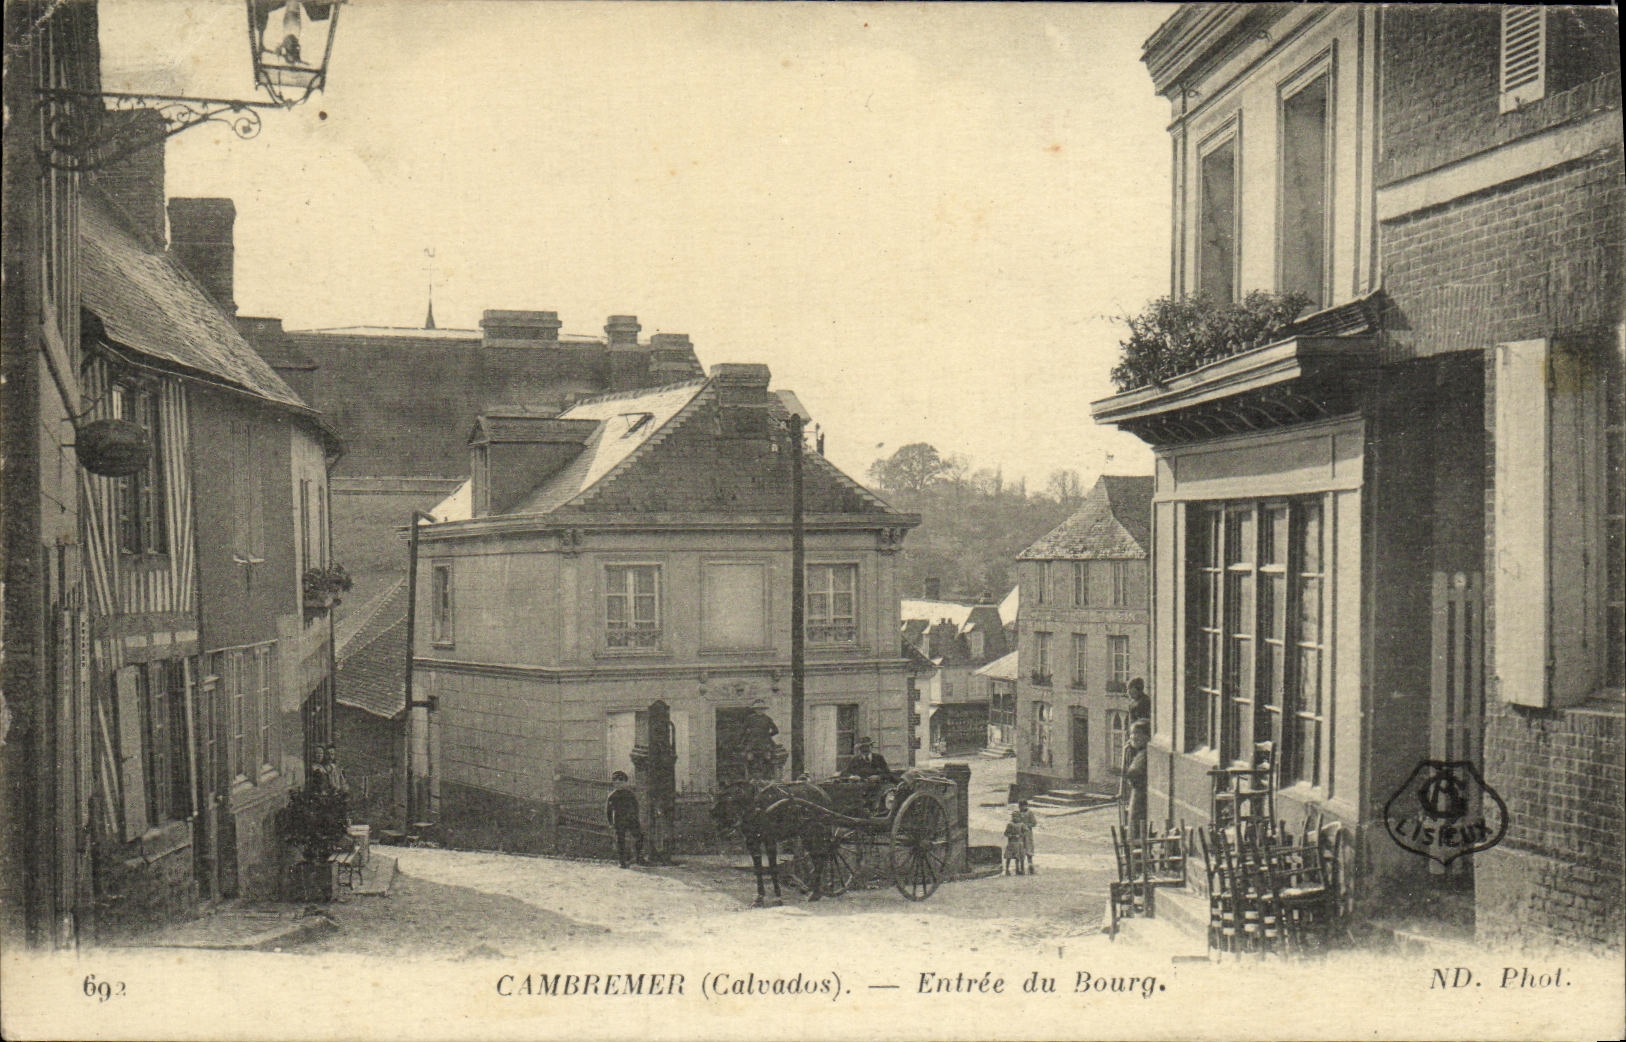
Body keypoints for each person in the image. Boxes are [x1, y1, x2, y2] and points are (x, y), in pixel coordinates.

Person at [606, 771, 644, 868]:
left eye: (621, 782)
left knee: (639, 837)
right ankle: (622, 862)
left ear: (625, 783)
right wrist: (610, 823)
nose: (618, 785)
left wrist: (635, 818)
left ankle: (639, 858)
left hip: (631, 820)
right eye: (616, 783)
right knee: (620, 841)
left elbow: (636, 807)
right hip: (619, 821)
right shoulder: (612, 796)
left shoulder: (630, 794)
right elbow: (608, 811)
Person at [1119, 719, 1150, 836]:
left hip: (1140, 798)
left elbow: (1132, 774)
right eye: (1132, 733)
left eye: (1137, 733)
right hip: (1138, 796)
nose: (1133, 737)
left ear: (1146, 736)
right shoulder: (1139, 753)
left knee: (1136, 829)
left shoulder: (1143, 755)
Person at [742, 700, 781, 779]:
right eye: (758, 709)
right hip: (752, 742)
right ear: (755, 710)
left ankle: (768, 776)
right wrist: (748, 736)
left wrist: (767, 735)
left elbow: (776, 730)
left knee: (768, 758)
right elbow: (743, 730)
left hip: (765, 743)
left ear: (764, 710)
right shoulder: (750, 718)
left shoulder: (767, 719)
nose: (760, 711)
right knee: (749, 758)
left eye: (761, 709)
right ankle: (750, 777)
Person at [1014, 799, 1039, 875]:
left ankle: (1030, 866)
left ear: (1025, 806)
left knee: (1029, 850)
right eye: (1019, 807)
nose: (1020, 808)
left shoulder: (1030, 813)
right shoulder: (1017, 813)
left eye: (1021, 806)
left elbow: (1034, 823)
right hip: (1020, 834)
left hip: (1027, 834)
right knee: (1019, 850)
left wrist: (1027, 825)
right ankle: (1019, 868)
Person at [1003, 808, 1029, 876]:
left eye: (1016, 816)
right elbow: (1006, 833)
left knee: (1019, 857)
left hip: (1019, 843)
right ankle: (1007, 869)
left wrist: (1020, 835)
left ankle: (1019, 869)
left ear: (1019, 817)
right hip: (1011, 843)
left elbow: (1026, 832)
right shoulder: (1010, 824)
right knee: (1009, 857)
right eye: (1013, 816)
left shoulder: (1022, 825)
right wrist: (1011, 835)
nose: (1015, 818)